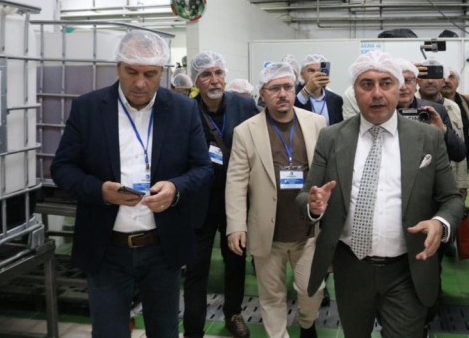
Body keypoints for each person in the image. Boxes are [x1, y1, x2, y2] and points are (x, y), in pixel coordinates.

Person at [50, 30, 214, 338]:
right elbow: (62, 168)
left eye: (150, 74)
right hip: (106, 248)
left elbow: (202, 168)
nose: (140, 83)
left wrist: (175, 189)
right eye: (131, 72)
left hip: (162, 247)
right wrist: (100, 191)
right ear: (118, 67)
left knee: (164, 331)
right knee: (109, 332)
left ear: (162, 72)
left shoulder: (182, 110)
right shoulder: (88, 108)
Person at [297, 50, 465, 337]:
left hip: (408, 266)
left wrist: (441, 223)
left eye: (386, 83)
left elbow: (451, 198)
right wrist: (313, 206)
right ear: (355, 91)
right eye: (367, 84)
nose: (377, 93)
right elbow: (305, 196)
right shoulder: (332, 137)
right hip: (351, 267)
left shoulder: (427, 137)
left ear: (399, 88)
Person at [226, 62, 326, 338]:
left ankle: (307, 324)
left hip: (308, 229)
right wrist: (236, 225)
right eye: (274, 88)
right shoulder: (246, 131)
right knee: (271, 296)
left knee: (312, 289)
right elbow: (236, 182)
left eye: (287, 87)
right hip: (267, 231)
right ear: (262, 93)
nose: (282, 94)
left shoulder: (316, 123)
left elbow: (326, 171)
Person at [183, 52, 259, 338]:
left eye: (218, 73)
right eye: (206, 74)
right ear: (196, 81)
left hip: (235, 199)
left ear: (225, 76)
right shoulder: (185, 110)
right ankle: (193, 328)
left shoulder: (244, 106)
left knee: (235, 260)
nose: (214, 79)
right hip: (199, 202)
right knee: (196, 268)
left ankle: (233, 313)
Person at [416, 59, 468, 188]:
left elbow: (459, 142)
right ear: (417, 80)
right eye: (425, 76)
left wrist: (461, 183)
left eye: (435, 76)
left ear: (443, 80)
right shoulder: (405, 104)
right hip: (415, 176)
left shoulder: (453, 107)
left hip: (445, 176)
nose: (430, 81)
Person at [442, 67, 469, 173]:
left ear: (458, 83)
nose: (447, 81)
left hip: (462, 160)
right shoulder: (430, 102)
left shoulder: (466, 102)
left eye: (451, 77)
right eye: (444, 77)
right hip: (441, 160)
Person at [295, 54, 344, 125]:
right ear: (302, 75)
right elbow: (292, 112)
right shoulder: (295, 96)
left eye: (319, 71)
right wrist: (307, 90)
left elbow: (339, 127)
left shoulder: (336, 100)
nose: (316, 74)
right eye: (311, 71)